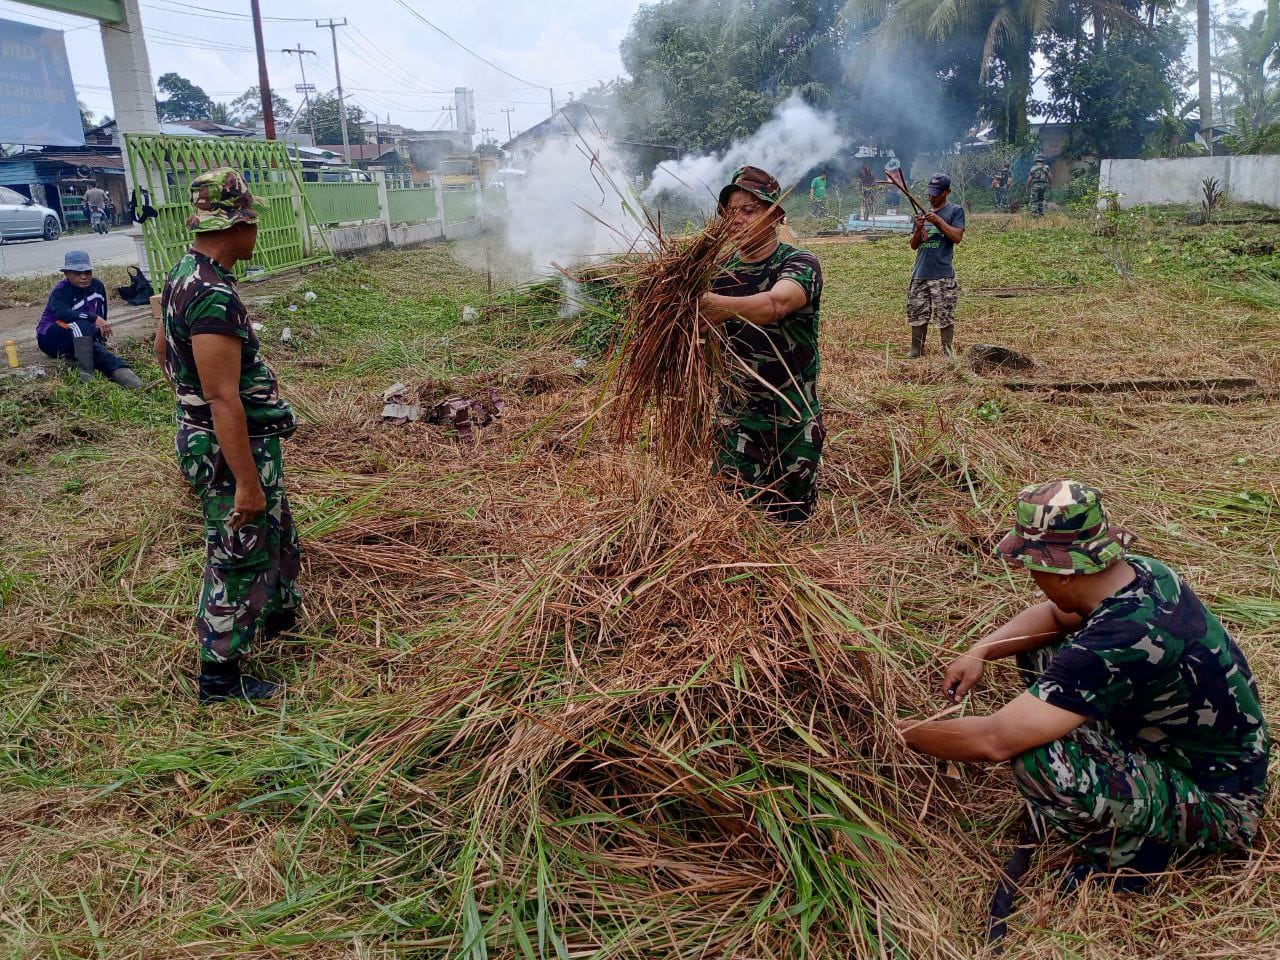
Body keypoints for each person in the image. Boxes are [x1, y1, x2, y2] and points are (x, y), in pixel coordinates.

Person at [899, 481, 1270, 889]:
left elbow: (994, 740)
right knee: (1046, 649)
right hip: (1202, 758)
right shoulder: (1144, 575)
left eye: (1032, 564)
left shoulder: (1120, 638)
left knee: (1041, 761)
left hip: (1222, 806)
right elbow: (1057, 619)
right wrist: (982, 650)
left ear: (1058, 571)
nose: (1031, 575)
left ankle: (1132, 861)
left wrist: (899, 734)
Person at [156, 167, 301, 704]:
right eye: (253, 219)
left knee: (276, 525)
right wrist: (244, 480)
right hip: (226, 448)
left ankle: (279, 615)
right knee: (237, 547)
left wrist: (189, 400)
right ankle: (218, 676)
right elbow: (223, 398)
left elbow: (161, 349)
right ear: (237, 223)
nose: (257, 229)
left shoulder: (183, 274)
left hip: (221, 438)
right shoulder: (213, 296)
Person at [700, 165, 824, 523]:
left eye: (749, 210)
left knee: (790, 524)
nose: (736, 220)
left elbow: (776, 305)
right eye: (729, 212)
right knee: (735, 522)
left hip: (792, 418)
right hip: (735, 419)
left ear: (776, 215)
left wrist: (713, 306)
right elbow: (703, 333)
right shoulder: (718, 272)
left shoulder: (799, 263)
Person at [36, 250, 142, 388]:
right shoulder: (61, 290)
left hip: (82, 338)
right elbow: (63, 313)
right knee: (82, 324)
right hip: (52, 338)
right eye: (78, 273)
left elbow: (102, 313)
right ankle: (86, 376)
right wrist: (93, 318)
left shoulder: (97, 286)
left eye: (87, 272)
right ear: (66, 273)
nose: (84, 277)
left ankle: (133, 382)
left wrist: (99, 336)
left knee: (100, 352)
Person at [907, 173, 965, 359]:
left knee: (944, 314)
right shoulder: (921, 213)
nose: (932, 197)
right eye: (930, 193)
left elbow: (957, 237)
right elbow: (914, 245)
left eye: (937, 193)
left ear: (947, 192)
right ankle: (916, 350)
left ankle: (947, 352)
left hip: (942, 274)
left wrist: (938, 221)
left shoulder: (955, 211)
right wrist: (918, 228)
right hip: (920, 273)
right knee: (917, 313)